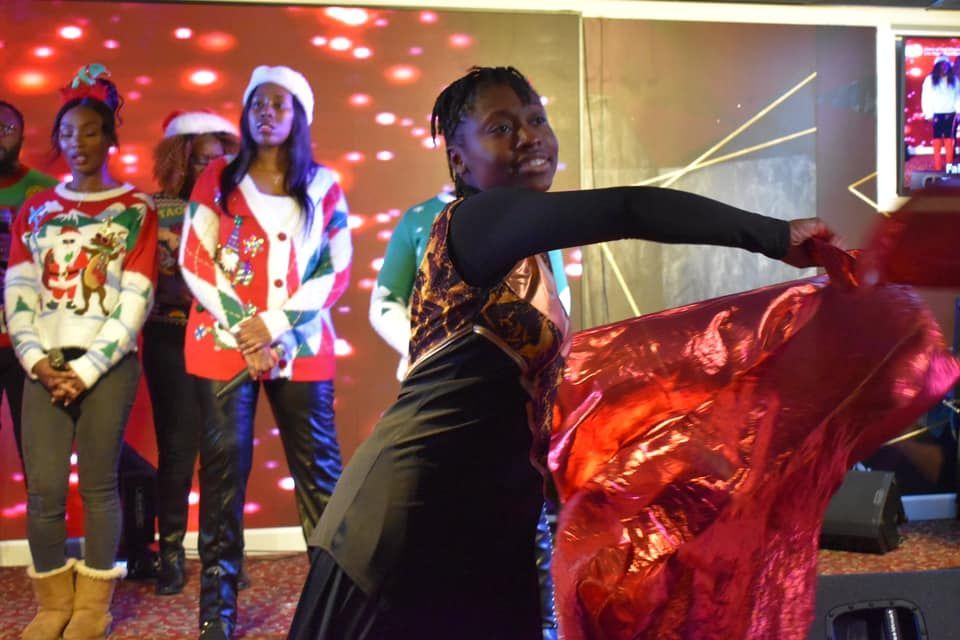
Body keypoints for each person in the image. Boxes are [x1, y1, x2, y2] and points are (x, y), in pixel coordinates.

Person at [288, 66, 837, 639]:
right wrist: (775, 236)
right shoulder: (478, 220)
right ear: (458, 160)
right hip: (408, 519)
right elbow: (628, 209)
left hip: (486, 519)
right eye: (501, 127)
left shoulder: (525, 253)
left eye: (536, 120)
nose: (530, 137)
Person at [178, 65, 351, 640]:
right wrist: (245, 329)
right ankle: (217, 616)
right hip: (221, 349)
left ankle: (337, 609)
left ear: (299, 115)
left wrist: (272, 326)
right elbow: (194, 259)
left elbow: (336, 269)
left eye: (280, 103)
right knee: (224, 476)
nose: (267, 112)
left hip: (299, 348)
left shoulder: (324, 186)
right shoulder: (216, 179)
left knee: (322, 482)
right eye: (258, 102)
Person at [369, 189, 570, 639]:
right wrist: (431, 354)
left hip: (516, 397)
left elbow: (558, 302)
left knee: (526, 516)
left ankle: (544, 626)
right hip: (443, 397)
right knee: (440, 516)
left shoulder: (534, 215)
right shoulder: (422, 219)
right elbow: (384, 301)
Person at [6, 64, 157, 640]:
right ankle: (52, 603)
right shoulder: (37, 208)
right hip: (42, 363)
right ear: (58, 140)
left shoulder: (135, 209)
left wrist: (90, 368)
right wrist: (36, 361)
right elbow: (18, 288)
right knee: (43, 489)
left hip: (109, 366)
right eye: (68, 133)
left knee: (98, 485)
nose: (78, 143)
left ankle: (93, 605)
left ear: (110, 136)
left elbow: (136, 296)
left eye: (91, 131)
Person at [146, 110, 240, 595]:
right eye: (201, 159)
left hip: (222, 335)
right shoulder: (154, 207)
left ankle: (222, 556)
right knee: (178, 449)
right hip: (168, 336)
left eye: (220, 158)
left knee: (223, 450)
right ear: (180, 160)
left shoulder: (238, 209)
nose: (212, 167)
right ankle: (171, 556)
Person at [0, 101, 57, 466]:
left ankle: (45, 523)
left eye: (6, 130)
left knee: (38, 455)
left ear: (21, 136)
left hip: (31, 343)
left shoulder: (47, 192)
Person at [921, 54, 959, 172]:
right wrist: (928, 113)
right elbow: (925, 97)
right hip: (936, 114)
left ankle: (949, 167)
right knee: (937, 142)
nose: (944, 67)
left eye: (946, 65)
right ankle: (937, 168)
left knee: (949, 141)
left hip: (950, 114)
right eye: (941, 65)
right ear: (937, 67)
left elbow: (958, 96)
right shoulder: (929, 80)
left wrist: (958, 111)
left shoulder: (955, 80)